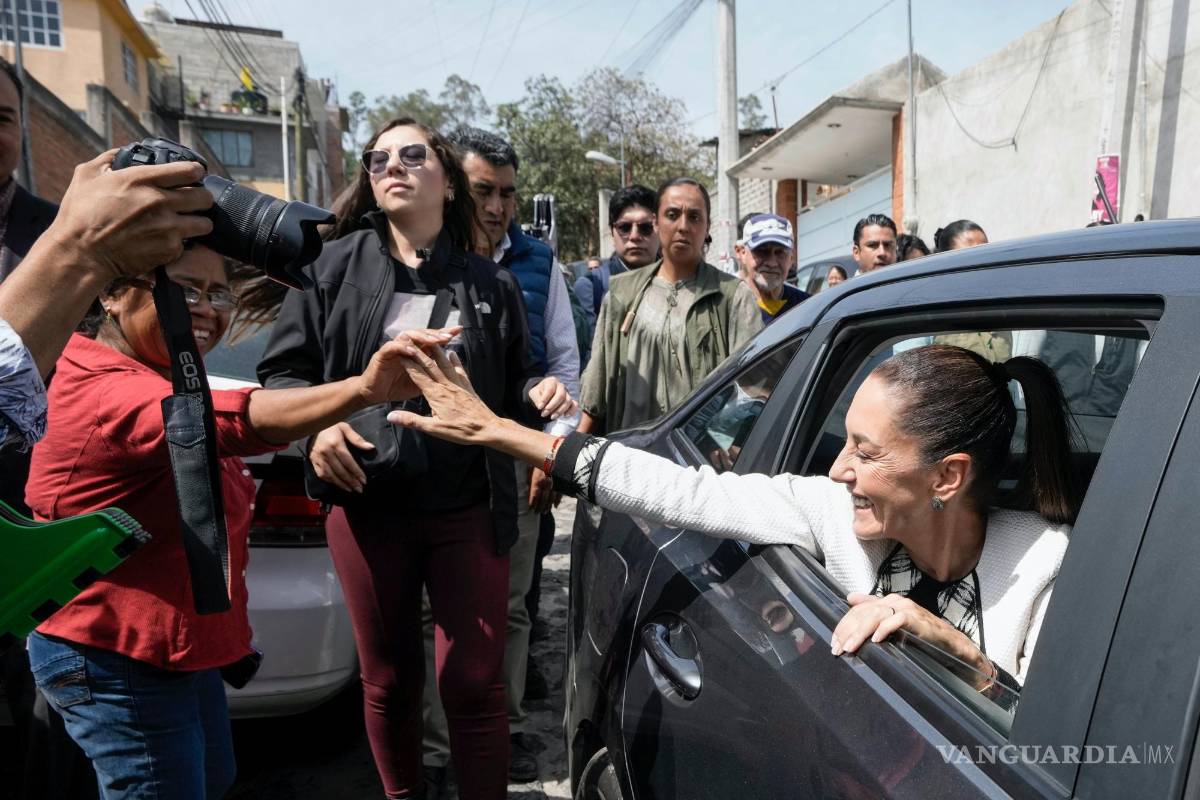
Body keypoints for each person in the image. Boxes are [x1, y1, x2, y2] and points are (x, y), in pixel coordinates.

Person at [392, 342, 1082, 700]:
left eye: (865, 453)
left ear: (948, 476)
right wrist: (501, 431)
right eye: (844, 442)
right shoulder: (829, 513)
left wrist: (960, 655)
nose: (838, 469)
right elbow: (678, 489)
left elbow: (1055, 749)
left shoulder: (1049, 566)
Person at [23, 240, 441, 800]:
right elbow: (230, 419)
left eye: (219, 293)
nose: (207, 308)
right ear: (113, 294)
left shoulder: (156, 371)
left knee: (209, 780)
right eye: (185, 290)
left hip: (173, 652)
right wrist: (362, 390)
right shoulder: (108, 389)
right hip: (119, 657)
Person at [257, 117, 572, 800]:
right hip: (370, 506)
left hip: (468, 506)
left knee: (472, 681)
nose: (392, 165)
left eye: (411, 154)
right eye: (378, 159)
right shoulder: (330, 270)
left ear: (446, 181)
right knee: (391, 678)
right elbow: (281, 376)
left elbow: (514, 383)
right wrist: (317, 433)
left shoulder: (492, 283)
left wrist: (538, 390)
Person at [443, 126, 580, 785]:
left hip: (518, 459)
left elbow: (561, 364)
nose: (497, 207)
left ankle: (510, 728)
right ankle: (440, 750)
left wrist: (551, 452)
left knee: (513, 606)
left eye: (508, 194)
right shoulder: (419, 259)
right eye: (482, 192)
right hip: (438, 463)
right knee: (436, 611)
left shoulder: (539, 264)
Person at [578, 178, 762, 435]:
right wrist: (569, 453)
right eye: (672, 215)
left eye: (695, 217)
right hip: (629, 455)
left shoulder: (733, 297)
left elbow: (753, 386)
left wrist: (721, 439)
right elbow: (597, 389)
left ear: (707, 226)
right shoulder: (622, 295)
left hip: (697, 462)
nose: (683, 226)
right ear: (656, 223)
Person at [574, 184, 660, 337]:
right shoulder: (591, 287)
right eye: (625, 228)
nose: (634, 236)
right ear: (612, 233)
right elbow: (589, 355)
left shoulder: (680, 283)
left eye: (645, 227)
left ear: (660, 229)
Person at [735, 213, 808, 324]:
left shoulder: (807, 307)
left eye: (780, 252)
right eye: (762, 251)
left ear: (791, 258)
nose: (771, 263)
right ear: (742, 253)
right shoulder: (727, 307)